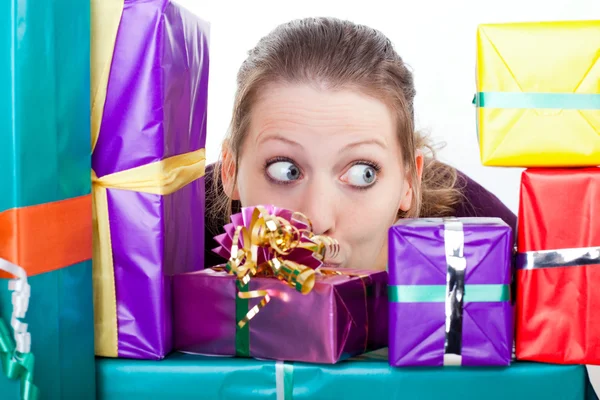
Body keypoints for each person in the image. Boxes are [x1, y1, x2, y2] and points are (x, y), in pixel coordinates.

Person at [204, 17, 515, 271]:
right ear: (230, 170)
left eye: (362, 174)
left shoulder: (486, 251)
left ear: (409, 181)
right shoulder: (172, 237)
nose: (318, 221)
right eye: (285, 171)